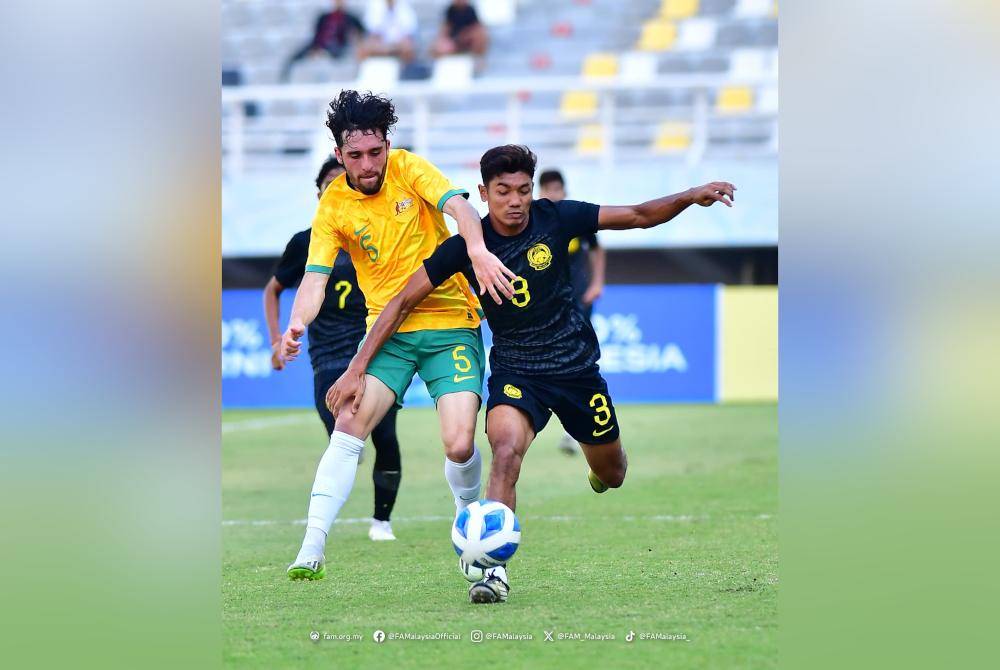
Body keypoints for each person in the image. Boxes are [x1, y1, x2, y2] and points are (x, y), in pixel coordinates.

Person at [327, 144, 735, 603]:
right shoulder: (463, 248)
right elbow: (401, 301)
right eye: (503, 191)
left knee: (614, 472)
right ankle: (493, 573)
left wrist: (691, 194)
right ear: (483, 193)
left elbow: (639, 215)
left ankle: (597, 471)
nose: (516, 200)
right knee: (504, 452)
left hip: (576, 370)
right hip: (517, 370)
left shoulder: (557, 218)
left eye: (523, 190)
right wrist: (357, 367)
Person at [279, 91, 516, 582]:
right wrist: (297, 324)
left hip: (450, 323)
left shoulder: (410, 168)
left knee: (458, 445)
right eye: (355, 155)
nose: (368, 165)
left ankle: (468, 523)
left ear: (387, 145)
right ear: (339, 154)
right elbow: (315, 278)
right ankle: (311, 546)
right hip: (386, 334)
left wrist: (476, 250)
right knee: (348, 426)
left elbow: (463, 210)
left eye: (375, 152)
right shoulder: (334, 204)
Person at [263, 156, 401, 542]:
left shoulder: (376, 236)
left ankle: (382, 522)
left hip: (374, 350)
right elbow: (274, 289)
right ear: (320, 194)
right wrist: (278, 339)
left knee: (386, 436)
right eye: (330, 186)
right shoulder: (306, 242)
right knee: (343, 439)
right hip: (327, 356)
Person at [538, 169, 606, 455]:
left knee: (579, 362)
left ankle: (574, 430)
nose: (554, 194)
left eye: (558, 189)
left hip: (578, 302)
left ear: (564, 190)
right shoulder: (535, 221)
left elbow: (597, 250)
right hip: (546, 307)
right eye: (549, 189)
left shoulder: (575, 219)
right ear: (539, 191)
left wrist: (597, 283)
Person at [281, 0, 365, 82]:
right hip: (319, 45)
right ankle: (285, 79)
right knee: (295, 56)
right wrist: (316, 48)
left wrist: (355, 39)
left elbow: (361, 32)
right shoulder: (323, 17)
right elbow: (317, 35)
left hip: (338, 46)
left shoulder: (350, 18)